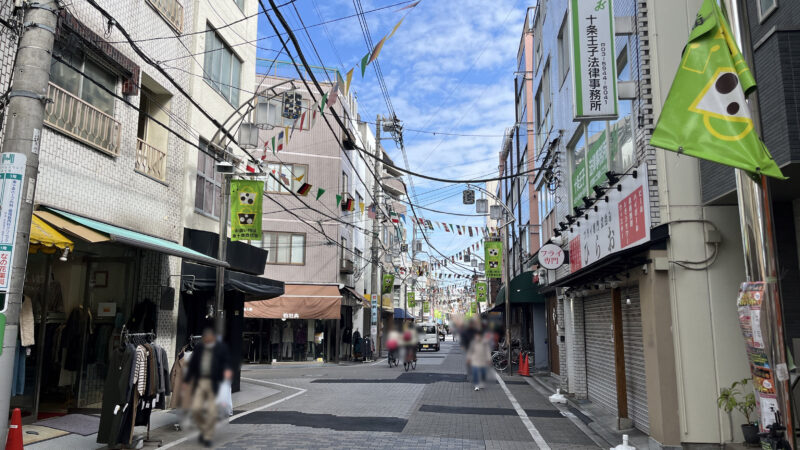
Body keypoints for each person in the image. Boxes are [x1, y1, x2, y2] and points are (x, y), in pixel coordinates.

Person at [184, 327, 232, 447]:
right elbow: (193, 365)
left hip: (213, 383)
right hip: (200, 382)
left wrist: (226, 371)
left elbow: (226, 362)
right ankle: (204, 429)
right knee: (196, 409)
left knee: (211, 412)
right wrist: (187, 381)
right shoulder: (199, 349)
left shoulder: (220, 349)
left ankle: (207, 436)